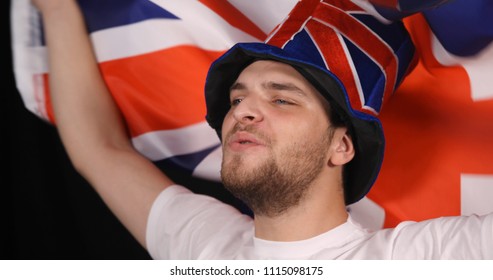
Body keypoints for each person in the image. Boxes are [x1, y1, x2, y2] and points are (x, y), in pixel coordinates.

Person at [32, 0, 492, 259]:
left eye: (281, 99)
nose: (242, 112)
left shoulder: (428, 257)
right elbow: (99, 150)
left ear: (341, 146)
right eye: (237, 98)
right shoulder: (207, 249)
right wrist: (55, 10)